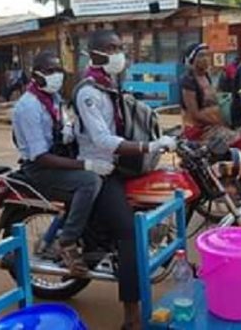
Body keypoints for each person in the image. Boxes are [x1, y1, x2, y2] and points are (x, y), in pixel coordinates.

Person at [74, 29, 177, 330]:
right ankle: (131, 318)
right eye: (111, 48)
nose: (119, 53)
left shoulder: (111, 84)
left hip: (119, 165)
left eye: (120, 47)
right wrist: (150, 147)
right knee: (131, 234)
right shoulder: (88, 91)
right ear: (94, 53)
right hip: (99, 169)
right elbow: (103, 140)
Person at [12, 50, 111, 276]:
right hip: (40, 168)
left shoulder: (53, 98)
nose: (56, 75)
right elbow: (40, 156)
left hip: (58, 157)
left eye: (58, 70)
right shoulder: (29, 106)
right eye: (49, 71)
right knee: (89, 181)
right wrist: (86, 165)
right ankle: (67, 241)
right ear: (35, 74)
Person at [180, 43, 240, 145]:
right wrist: (220, 123)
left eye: (207, 55)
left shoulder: (206, 76)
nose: (206, 58)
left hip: (213, 124)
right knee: (239, 141)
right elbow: (195, 114)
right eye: (201, 56)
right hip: (198, 129)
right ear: (192, 60)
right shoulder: (189, 81)